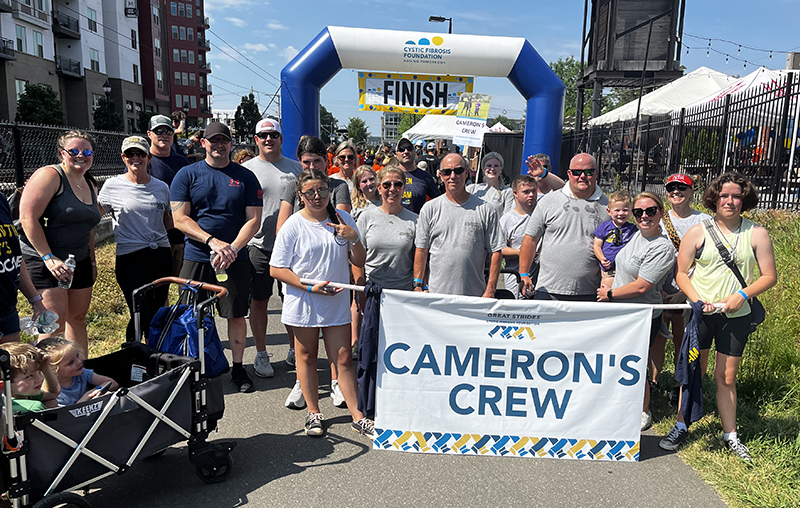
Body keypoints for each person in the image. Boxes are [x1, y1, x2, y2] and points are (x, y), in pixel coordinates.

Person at [659, 172, 776, 461]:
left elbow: (769, 276)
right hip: (702, 314)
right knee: (693, 372)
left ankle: (730, 436)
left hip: (736, 315)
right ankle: (682, 425)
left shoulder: (757, 233)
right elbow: (682, 273)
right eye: (724, 195)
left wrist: (742, 295)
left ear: (744, 199)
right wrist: (697, 300)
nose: (730, 201)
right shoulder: (698, 231)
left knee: (726, 376)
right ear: (714, 198)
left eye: (736, 195)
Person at [269, 169, 375, 439]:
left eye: (323, 191)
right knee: (306, 357)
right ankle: (314, 412)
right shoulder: (293, 224)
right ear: (300, 195)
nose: (317, 197)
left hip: (336, 301)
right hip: (304, 300)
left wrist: (353, 237)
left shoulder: (343, 218)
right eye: (310, 192)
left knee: (342, 359)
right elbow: (276, 269)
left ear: (330, 191)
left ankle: (358, 416)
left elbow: (359, 261)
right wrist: (308, 285)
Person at [170, 122, 263, 393]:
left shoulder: (245, 177)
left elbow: (253, 219)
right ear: (203, 143)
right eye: (213, 140)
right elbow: (179, 218)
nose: (218, 145)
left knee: (235, 315)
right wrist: (212, 242)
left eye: (224, 140)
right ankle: (193, 368)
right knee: (190, 315)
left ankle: (237, 368)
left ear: (231, 144)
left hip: (235, 258)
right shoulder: (187, 175)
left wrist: (232, 248)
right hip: (197, 256)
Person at [275, 136, 351, 410]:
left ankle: (334, 382)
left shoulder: (337, 185)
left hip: (330, 271)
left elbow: (338, 221)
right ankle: (302, 384)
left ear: (325, 161)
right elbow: (282, 225)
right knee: (303, 344)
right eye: (305, 162)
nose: (310, 166)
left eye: (316, 161)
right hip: (299, 272)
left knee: (336, 342)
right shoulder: (291, 185)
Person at [597, 193, 675, 431]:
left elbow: (643, 285)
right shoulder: (637, 237)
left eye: (650, 211)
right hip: (621, 312)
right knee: (617, 361)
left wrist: (609, 295)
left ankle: (643, 411)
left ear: (661, 213)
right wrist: (610, 283)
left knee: (636, 365)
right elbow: (624, 270)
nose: (644, 216)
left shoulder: (662, 247)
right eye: (638, 212)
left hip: (641, 316)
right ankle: (618, 405)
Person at [19, 130, 102, 352]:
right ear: (62, 153)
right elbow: (28, 218)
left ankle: (79, 375)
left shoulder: (90, 183)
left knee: (78, 319)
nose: (80, 155)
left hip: (78, 259)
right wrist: (49, 258)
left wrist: (92, 262)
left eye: (86, 151)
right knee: (53, 324)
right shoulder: (50, 176)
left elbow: (89, 228)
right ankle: (50, 383)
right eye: (73, 151)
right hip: (46, 260)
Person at [242, 118, 302, 379]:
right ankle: (261, 352)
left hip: (292, 249)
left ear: (281, 138)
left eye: (273, 135)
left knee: (292, 301)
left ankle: (293, 349)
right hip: (260, 246)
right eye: (263, 135)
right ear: (255, 139)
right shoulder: (245, 169)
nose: (268, 139)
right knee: (259, 301)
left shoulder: (296, 169)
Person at [97, 136, 172, 342]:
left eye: (140, 154)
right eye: (131, 154)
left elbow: (167, 219)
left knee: (157, 309)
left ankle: (154, 352)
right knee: (138, 309)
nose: (136, 158)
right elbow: (95, 214)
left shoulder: (161, 187)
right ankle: (133, 352)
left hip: (160, 255)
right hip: (130, 255)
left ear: (148, 157)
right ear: (123, 157)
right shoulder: (113, 186)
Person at [651, 173, 711, 399]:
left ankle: (680, 385)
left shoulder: (703, 220)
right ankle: (654, 380)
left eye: (682, 188)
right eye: (671, 188)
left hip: (690, 286)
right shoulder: (657, 216)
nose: (676, 192)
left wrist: (682, 293)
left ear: (691, 191)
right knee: (657, 335)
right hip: (660, 285)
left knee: (682, 337)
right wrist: (658, 288)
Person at [519, 153, 609, 301]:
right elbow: (530, 240)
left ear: (596, 173)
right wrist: (524, 274)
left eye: (588, 172)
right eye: (576, 172)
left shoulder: (608, 207)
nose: (582, 176)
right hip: (548, 290)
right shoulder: (549, 201)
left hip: (591, 292)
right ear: (569, 173)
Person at [414, 153, 503, 297]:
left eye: (458, 170)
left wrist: (490, 289)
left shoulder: (486, 209)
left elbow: (496, 252)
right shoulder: (429, 208)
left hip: (474, 296)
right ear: (440, 175)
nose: (453, 176)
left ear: (467, 173)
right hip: (436, 295)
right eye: (447, 172)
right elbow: (421, 250)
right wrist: (419, 284)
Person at [1, 135, 50, 343]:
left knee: (12, 371)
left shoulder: (1, 199)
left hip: (6, 307)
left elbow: (13, 256)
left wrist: (35, 299)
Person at [355, 165, 418, 291]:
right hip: (373, 291)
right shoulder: (366, 217)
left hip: (404, 292)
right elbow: (357, 261)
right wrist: (360, 292)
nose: (392, 189)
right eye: (387, 185)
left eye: (398, 184)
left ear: (404, 187)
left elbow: (419, 260)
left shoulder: (416, 220)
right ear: (379, 188)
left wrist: (418, 286)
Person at [147, 114, 190, 277]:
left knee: (181, 284)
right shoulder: (143, 161)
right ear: (149, 134)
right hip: (154, 238)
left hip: (181, 235)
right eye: (159, 131)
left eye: (168, 131)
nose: (164, 135)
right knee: (158, 284)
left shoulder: (182, 162)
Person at [37, 337, 118, 406]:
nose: (79, 361)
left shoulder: (83, 374)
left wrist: (96, 390)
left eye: (78, 356)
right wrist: (82, 401)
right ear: (54, 370)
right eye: (71, 362)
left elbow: (112, 383)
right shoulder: (47, 389)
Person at [499, 175, 538, 299]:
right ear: (515, 193)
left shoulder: (542, 213)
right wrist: (521, 252)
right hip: (516, 279)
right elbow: (499, 249)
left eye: (533, 191)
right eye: (526, 192)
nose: (531, 195)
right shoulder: (506, 220)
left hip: (542, 280)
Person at [592, 190, 636, 288]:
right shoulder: (604, 227)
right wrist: (602, 259)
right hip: (609, 270)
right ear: (609, 211)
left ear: (630, 211)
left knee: (624, 293)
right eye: (617, 210)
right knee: (606, 292)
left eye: (625, 210)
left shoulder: (633, 229)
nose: (621, 213)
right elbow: (597, 246)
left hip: (626, 270)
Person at [6, 342, 60, 413]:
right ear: (3, 386)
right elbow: (53, 393)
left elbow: (52, 393)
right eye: (29, 376)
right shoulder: (34, 407)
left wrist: (46, 367)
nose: (39, 379)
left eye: (39, 371)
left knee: (52, 402)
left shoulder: (19, 394)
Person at [395, 137, 439, 214]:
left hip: (417, 223)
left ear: (414, 152)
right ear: (396, 155)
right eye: (402, 149)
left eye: (409, 148)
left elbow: (438, 201)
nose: (406, 151)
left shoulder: (425, 177)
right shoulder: (389, 175)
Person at [467, 151, 514, 217]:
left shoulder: (507, 192)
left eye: (496, 166)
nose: (492, 169)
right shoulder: (472, 189)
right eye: (489, 166)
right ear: (483, 168)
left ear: (501, 169)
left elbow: (506, 218)